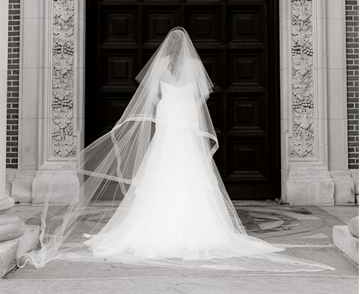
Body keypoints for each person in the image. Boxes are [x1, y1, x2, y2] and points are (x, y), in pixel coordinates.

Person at [20, 28, 332, 273]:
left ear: (167, 49)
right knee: (191, 170)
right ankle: (196, 228)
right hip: (183, 118)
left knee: (161, 169)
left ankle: (155, 226)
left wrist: (168, 106)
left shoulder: (160, 67)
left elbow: (152, 99)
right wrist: (186, 108)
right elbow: (202, 98)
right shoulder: (195, 66)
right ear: (188, 49)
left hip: (169, 118)